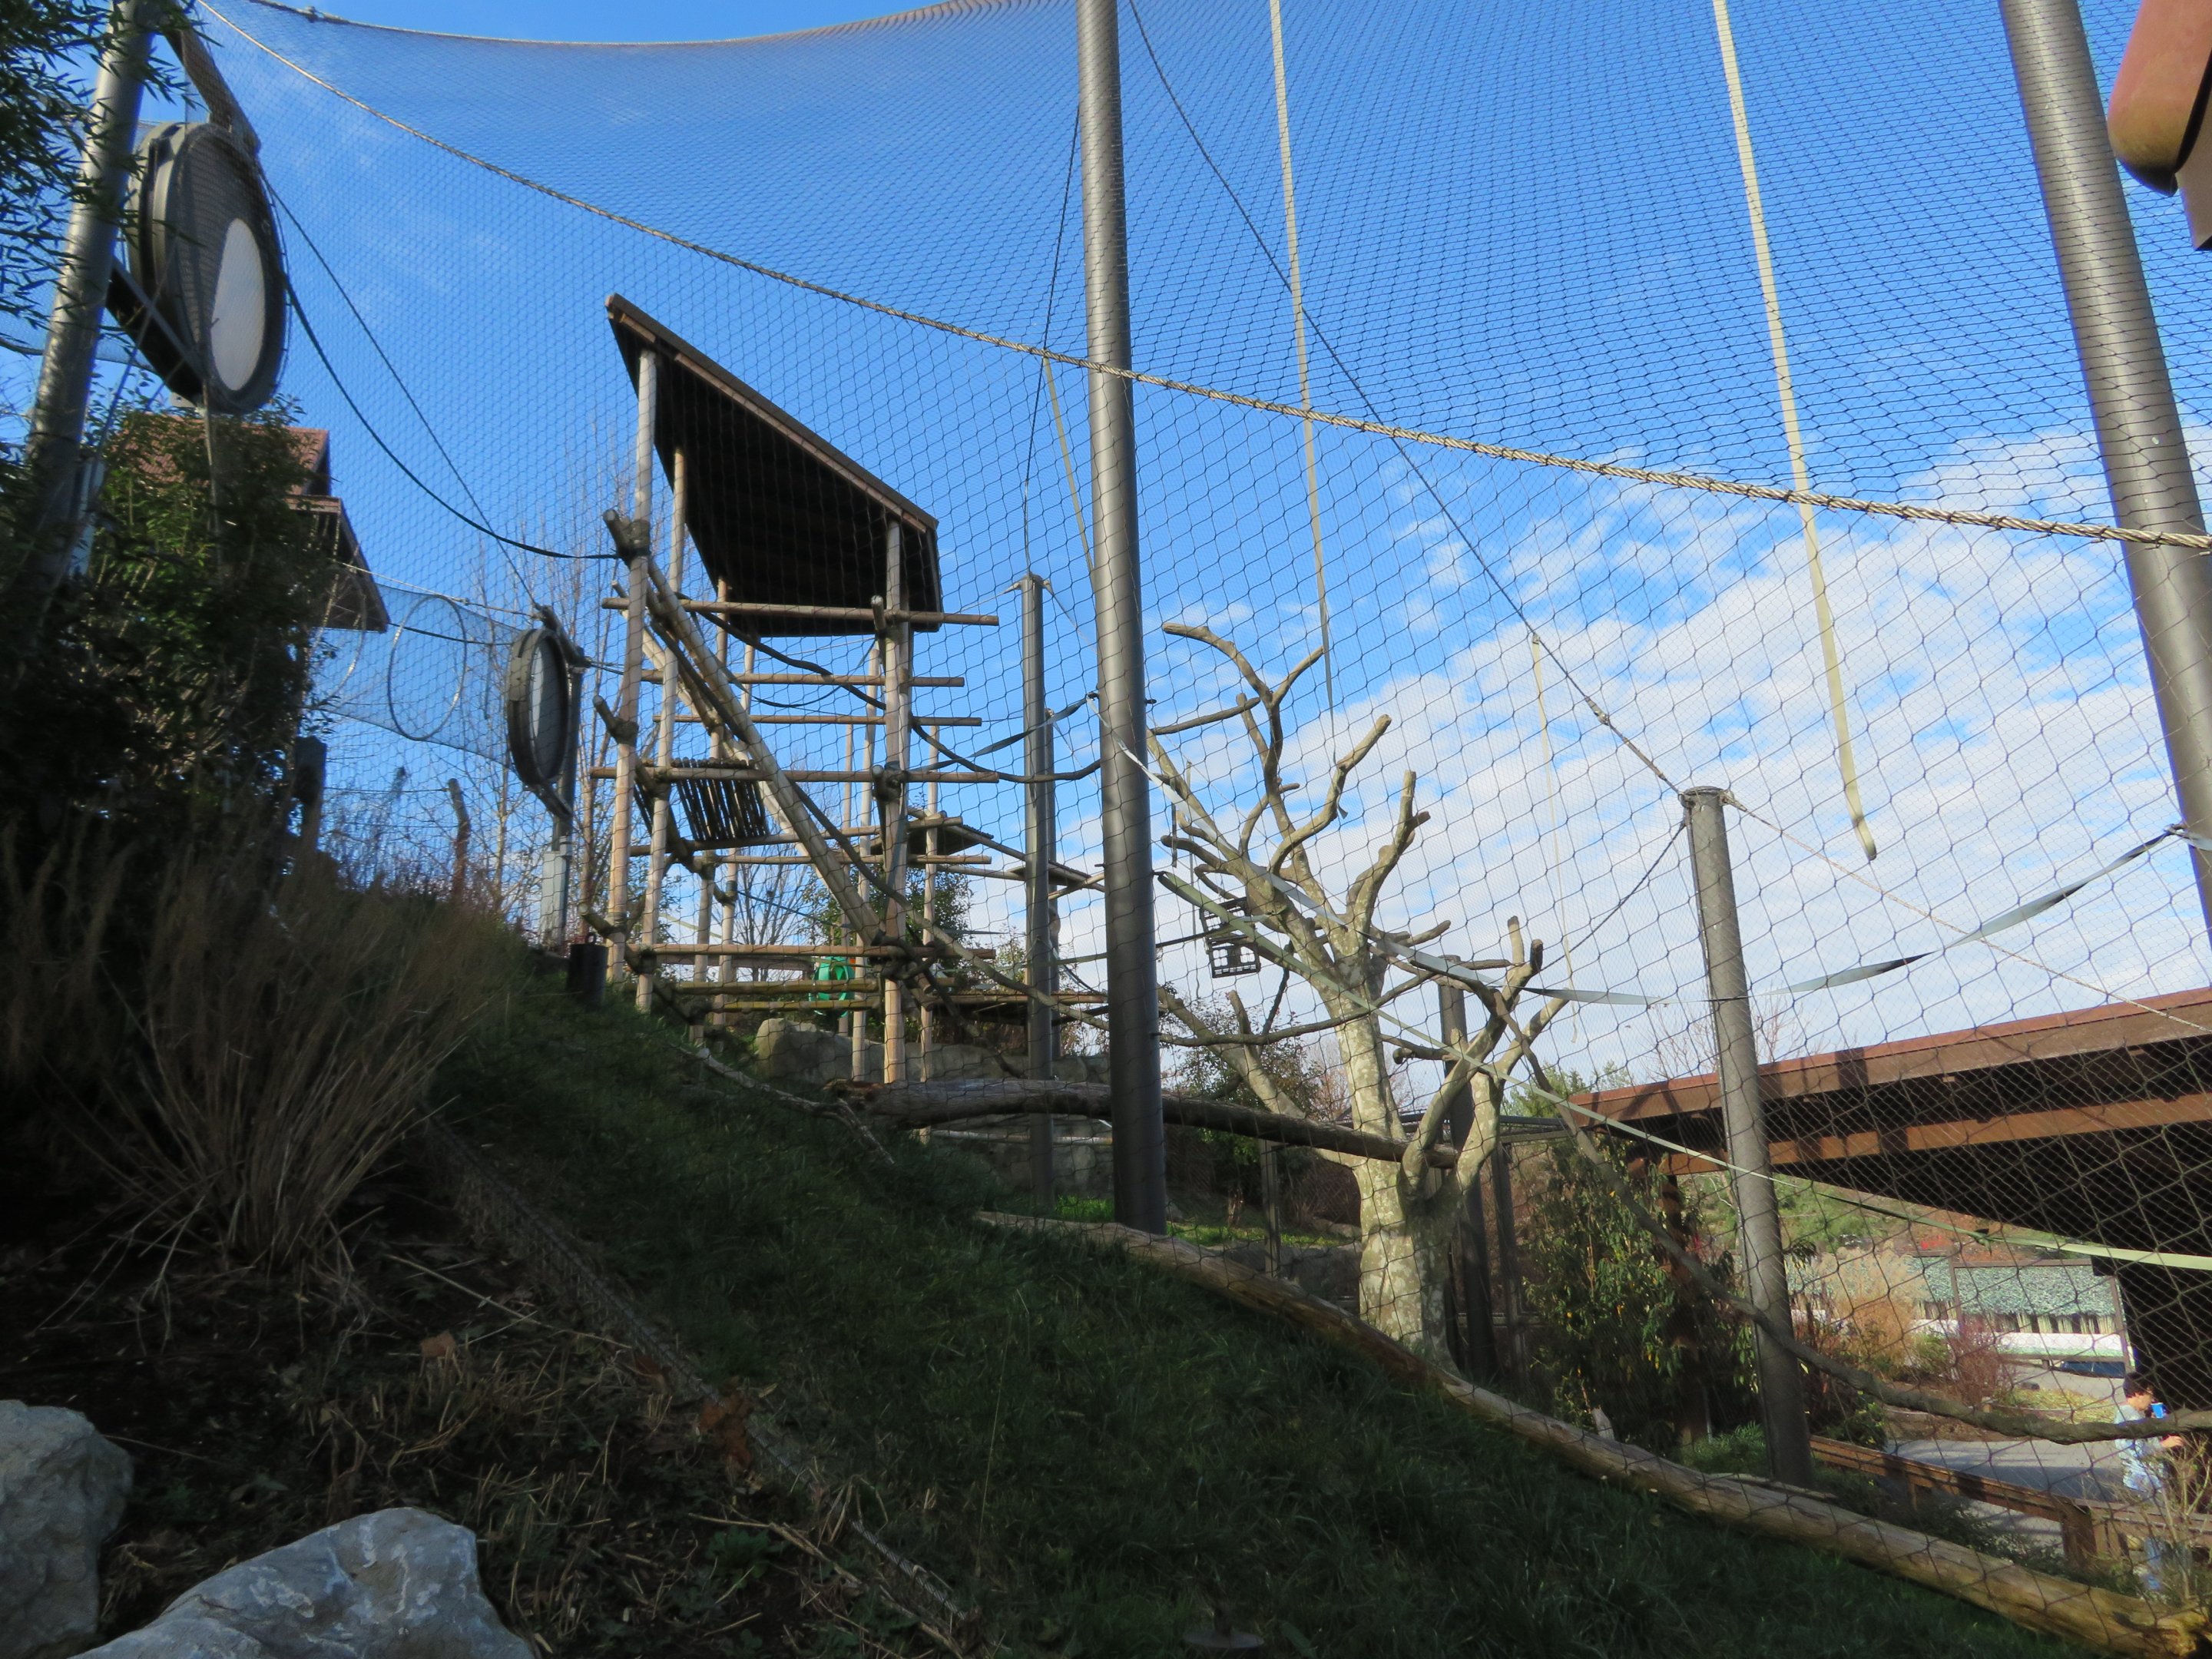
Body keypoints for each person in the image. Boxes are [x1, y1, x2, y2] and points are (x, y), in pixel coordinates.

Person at [2120, 1373, 2184, 1596]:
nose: (2151, 1398)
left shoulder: (2135, 1415)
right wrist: (2164, 1445)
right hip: (2144, 1482)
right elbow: (2135, 1451)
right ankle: (2157, 1586)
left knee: (2157, 1533)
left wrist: (2155, 1422)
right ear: (2137, 1393)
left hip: (2149, 1480)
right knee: (2156, 1535)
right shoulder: (2127, 1417)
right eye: (2149, 1393)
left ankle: (2162, 1582)